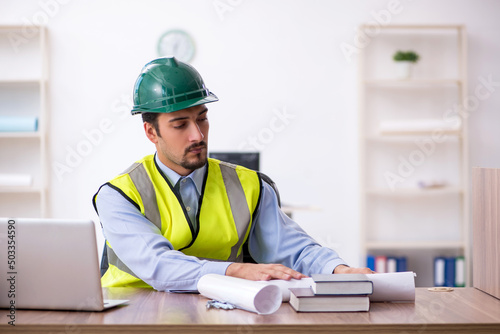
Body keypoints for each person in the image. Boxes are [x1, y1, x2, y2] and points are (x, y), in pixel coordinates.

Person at [93, 57, 372, 291]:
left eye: (202, 118)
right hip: (132, 315)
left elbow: (292, 248)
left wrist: (337, 270)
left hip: (220, 310)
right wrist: (236, 271)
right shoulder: (119, 194)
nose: (198, 135)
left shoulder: (250, 185)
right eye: (180, 125)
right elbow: (158, 266)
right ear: (151, 132)